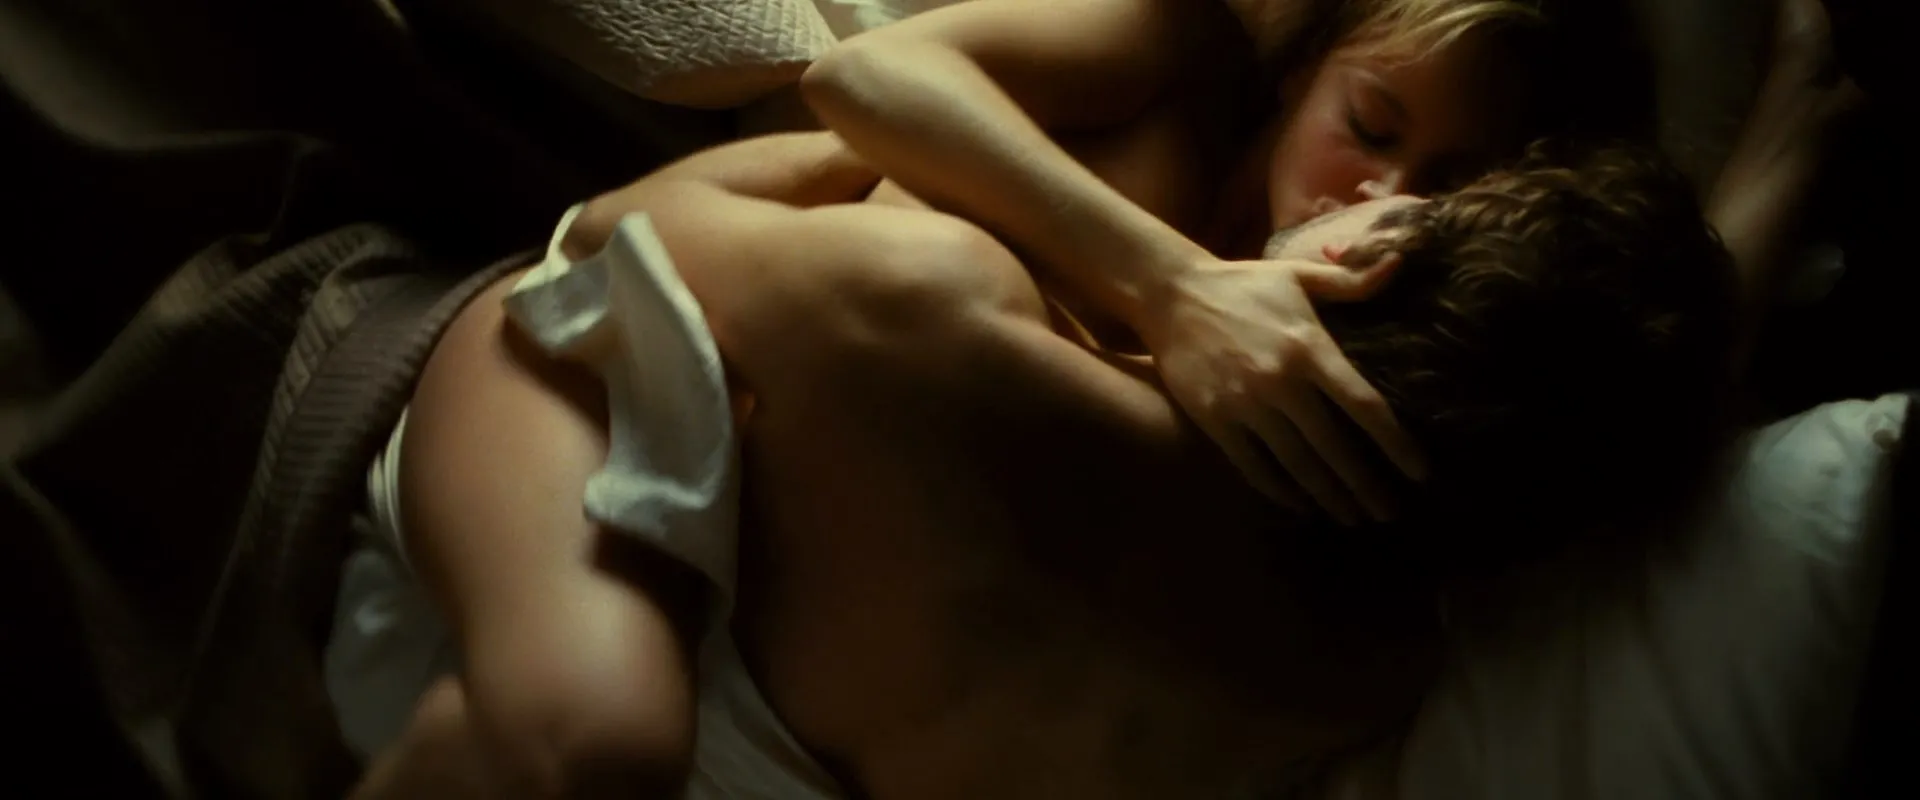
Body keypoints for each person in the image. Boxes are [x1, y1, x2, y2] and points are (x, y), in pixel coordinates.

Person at [330, 129, 1735, 799]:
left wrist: (1124, 271)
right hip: (567, 436)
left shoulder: (942, 313)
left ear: (1370, 258)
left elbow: (608, 229)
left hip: (578, 386)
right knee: (594, 727)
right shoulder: (1366, 674)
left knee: (600, 741)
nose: (1367, 189)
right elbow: (1596, 394)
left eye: (1414, 197)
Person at [800, 0, 1658, 525]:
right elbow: (864, 73)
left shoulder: (1384, 343)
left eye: (1447, 186)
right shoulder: (1174, 56)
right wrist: (1171, 287)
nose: (1382, 192)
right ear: (1306, 71)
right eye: (1368, 126)